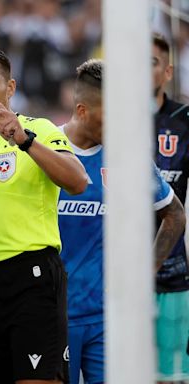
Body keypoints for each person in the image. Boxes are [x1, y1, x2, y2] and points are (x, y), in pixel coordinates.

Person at [0, 45, 87, 384]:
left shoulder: (38, 129)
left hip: (32, 278)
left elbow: (78, 181)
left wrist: (24, 140)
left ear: (10, 88)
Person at [58, 58, 186, 384]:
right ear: (84, 110)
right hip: (56, 315)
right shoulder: (47, 150)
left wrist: (148, 270)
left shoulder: (126, 158)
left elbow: (174, 214)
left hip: (110, 318)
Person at [152, 33, 189, 384]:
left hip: (172, 273)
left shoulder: (184, 119)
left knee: (171, 377)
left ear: (167, 71)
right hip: (111, 273)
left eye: (152, 62)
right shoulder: (104, 120)